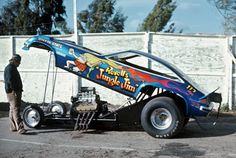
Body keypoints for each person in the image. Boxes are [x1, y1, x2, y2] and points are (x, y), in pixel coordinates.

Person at [4, 54, 27, 134]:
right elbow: (10, 81)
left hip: (10, 91)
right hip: (13, 92)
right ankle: (20, 128)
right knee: (16, 109)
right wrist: (14, 91)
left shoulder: (10, 68)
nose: (19, 64)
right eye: (19, 62)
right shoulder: (10, 68)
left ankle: (13, 126)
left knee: (12, 109)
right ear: (15, 61)